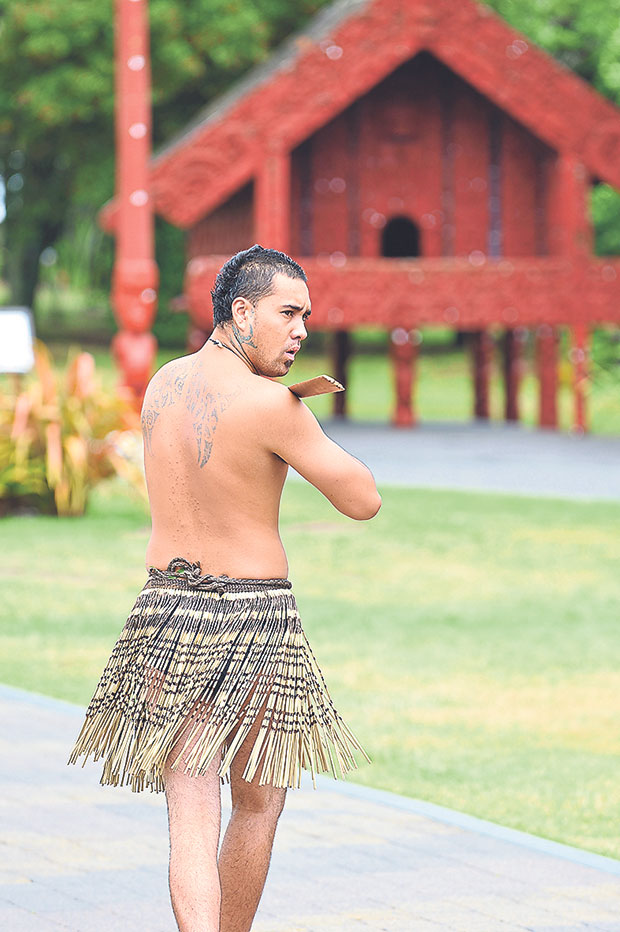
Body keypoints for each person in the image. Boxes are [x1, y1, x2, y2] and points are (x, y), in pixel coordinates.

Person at [69, 244, 381, 932]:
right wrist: (300, 420)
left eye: (306, 317)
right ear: (241, 311)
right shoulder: (274, 406)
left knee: (190, 805)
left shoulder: (164, 383)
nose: (301, 331)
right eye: (288, 313)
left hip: (162, 612)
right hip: (253, 616)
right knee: (257, 801)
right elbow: (363, 499)